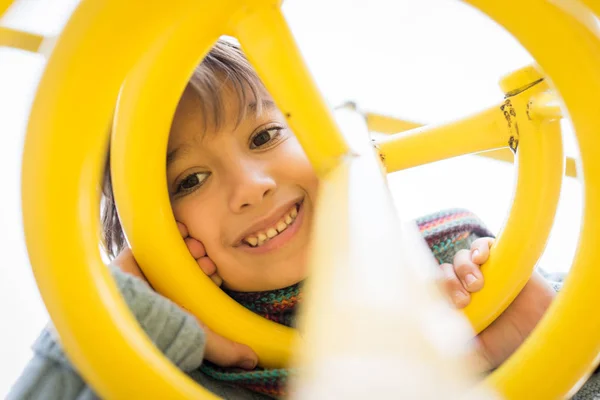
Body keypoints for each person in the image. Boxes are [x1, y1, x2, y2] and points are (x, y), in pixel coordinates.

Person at [8, 38, 593, 399]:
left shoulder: (471, 272)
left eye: (264, 135)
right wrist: (118, 316)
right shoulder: (161, 375)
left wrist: (550, 360)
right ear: (157, 228)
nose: (251, 187)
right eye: (190, 179)